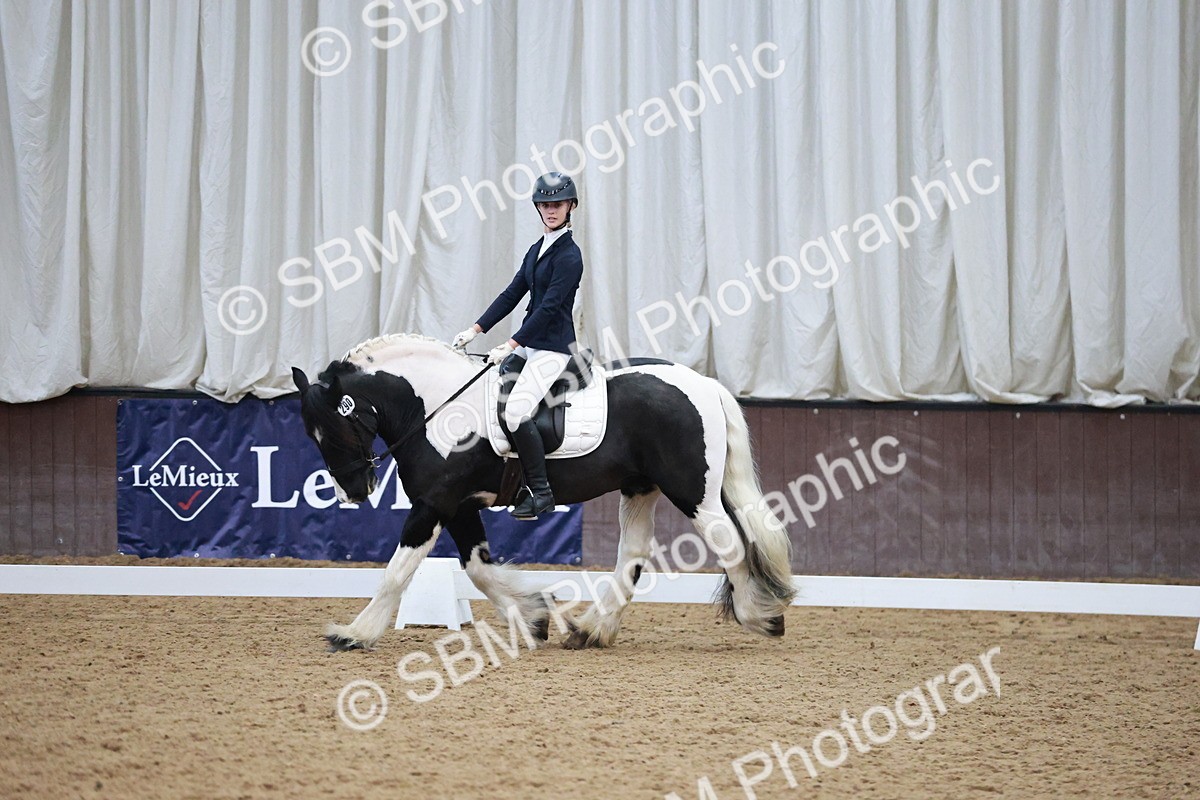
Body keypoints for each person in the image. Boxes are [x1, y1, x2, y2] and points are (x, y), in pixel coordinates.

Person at [452, 172, 583, 519]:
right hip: (530, 343)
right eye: (545, 205)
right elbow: (512, 294)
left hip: (553, 348)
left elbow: (549, 307)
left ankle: (541, 493)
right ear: (538, 209)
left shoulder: (570, 257)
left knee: (516, 411)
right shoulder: (536, 249)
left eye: (557, 204)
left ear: (570, 207)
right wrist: (475, 329)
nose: (551, 210)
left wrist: (511, 344)